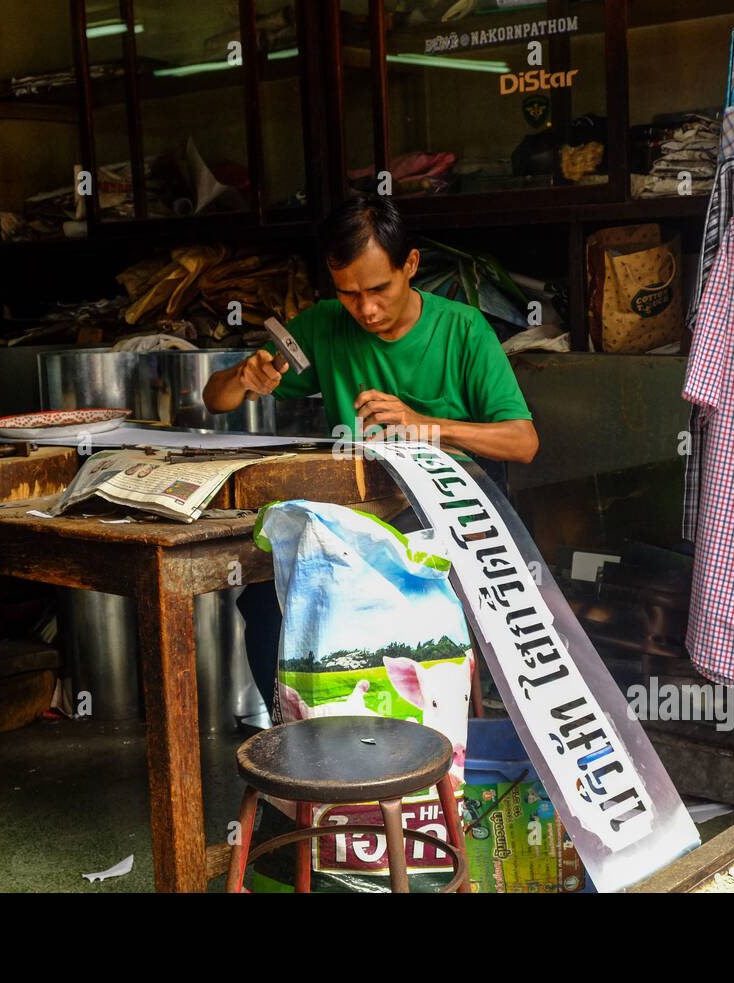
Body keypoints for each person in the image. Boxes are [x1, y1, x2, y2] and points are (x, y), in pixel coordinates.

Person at [202, 193, 539, 717]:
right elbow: (214, 400)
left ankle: (417, 755)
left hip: (440, 517)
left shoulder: (463, 330)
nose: (367, 309)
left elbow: (522, 442)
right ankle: (293, 748)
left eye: (379, 289)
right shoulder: (324, 325)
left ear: (410, 265)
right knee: (266, 599)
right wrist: (244, 377)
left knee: (400, 612)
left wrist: (425, 425)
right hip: (355, 515)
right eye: (350, 294)